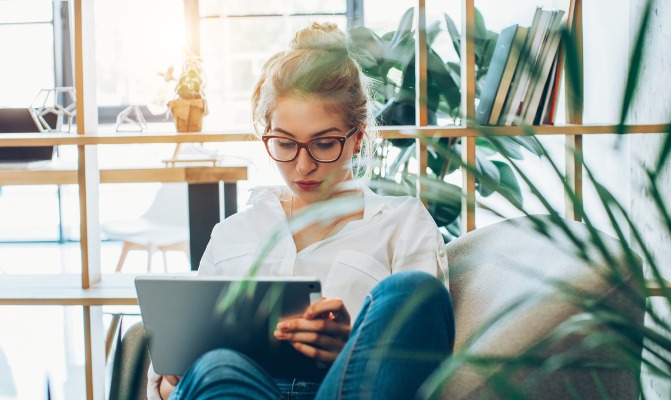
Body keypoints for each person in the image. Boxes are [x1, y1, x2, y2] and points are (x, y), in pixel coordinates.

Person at [148, 22, 455, 400]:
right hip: (236, 390)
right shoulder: (232, 233)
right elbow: (166, 383)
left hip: (347, 390)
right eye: (284, 143)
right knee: (217, 365)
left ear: (357, 137)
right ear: (267, 134)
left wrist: (352, 346)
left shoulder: (401, 223)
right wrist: (171, 379)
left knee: (412, 291)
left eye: (324, 144)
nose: (303, 166)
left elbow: (423, 357)